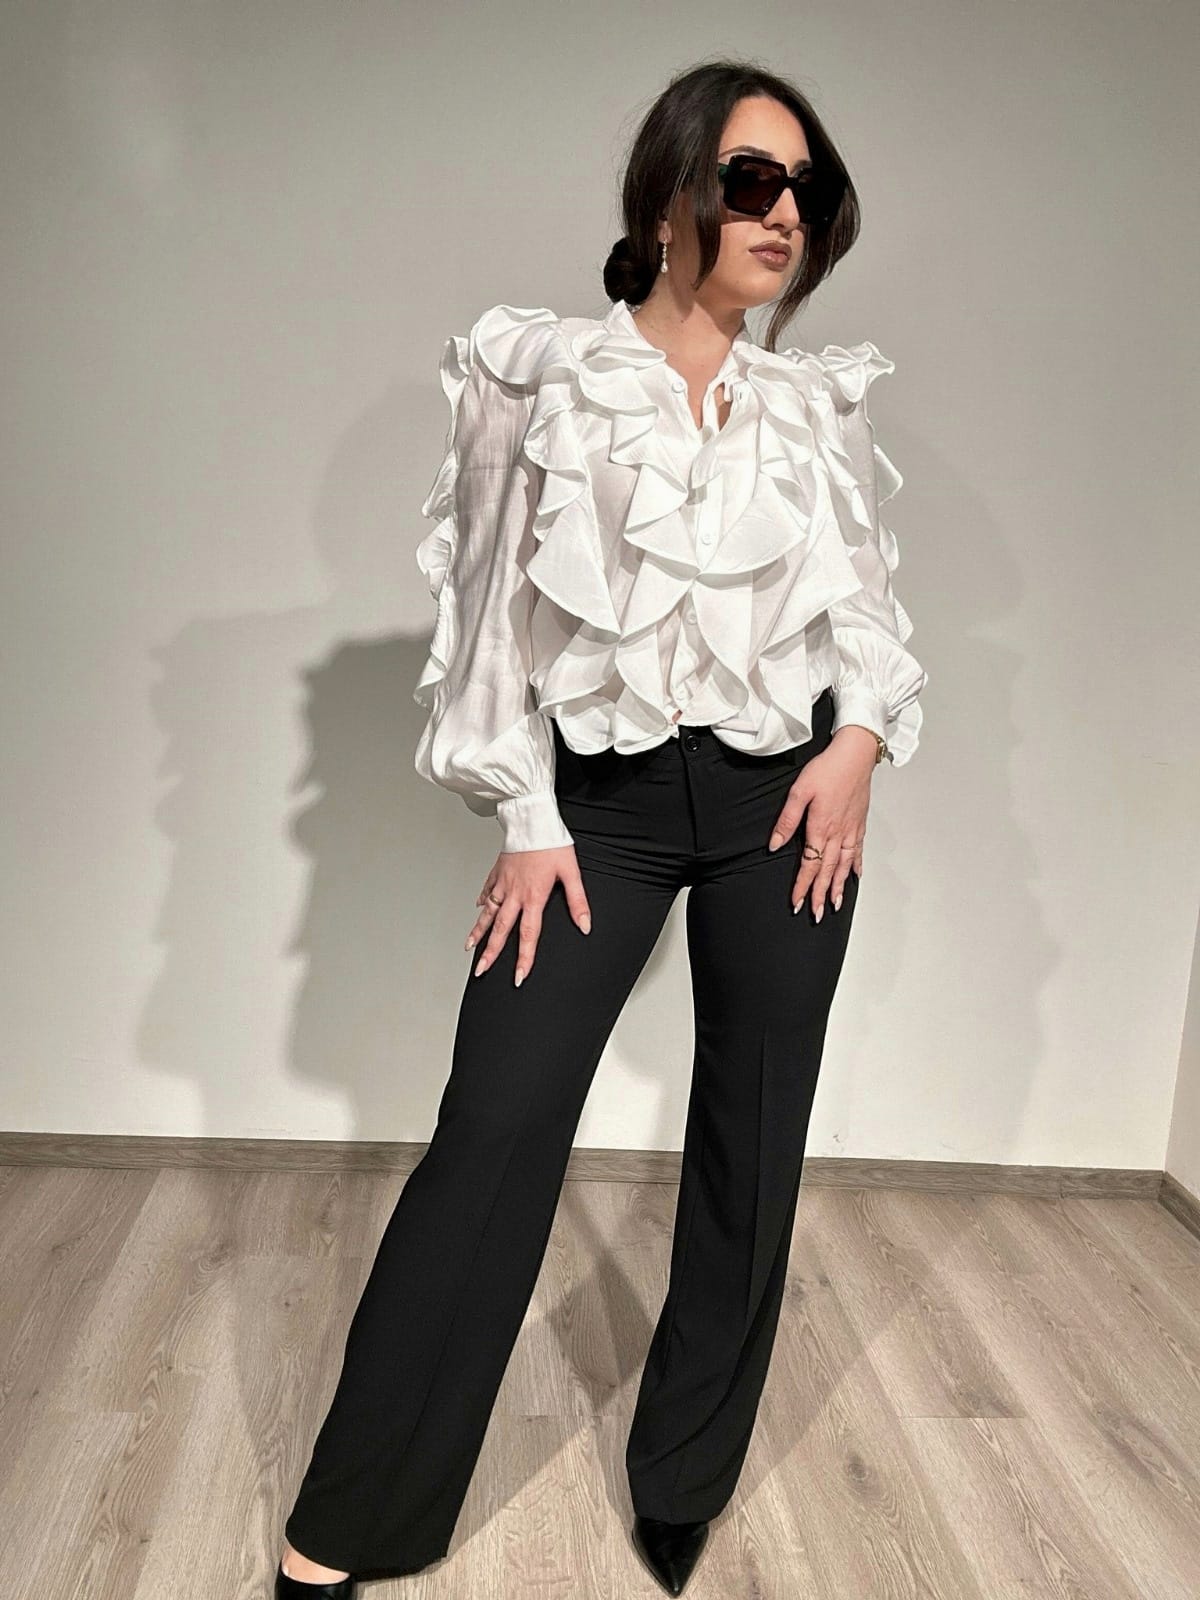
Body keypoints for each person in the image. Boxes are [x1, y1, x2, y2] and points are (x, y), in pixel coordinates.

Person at [275, 56, 927, 1599]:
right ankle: (354, 1521)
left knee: (755, 1131)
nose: (786, 213)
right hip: (600, 813)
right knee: (496, 1125)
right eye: (754, 180)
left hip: (785, 805)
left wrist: (860, 740)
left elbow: (871, 618)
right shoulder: (542, 381)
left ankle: (683, 1478)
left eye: (809, 190)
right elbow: (483, 622)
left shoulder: (812, 406)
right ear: (671, 193)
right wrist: (527, 812)